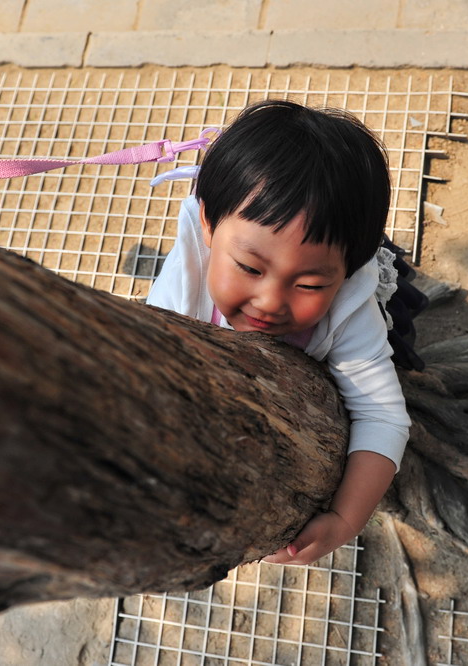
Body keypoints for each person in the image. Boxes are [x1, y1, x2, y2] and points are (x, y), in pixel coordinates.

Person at [146, 99, 422, 566]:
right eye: (249, 268)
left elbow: (384, 416)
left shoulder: (349, 309)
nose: (271, 302)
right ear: (208, 224)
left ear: (347, 273)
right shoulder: (182, 289)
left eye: (310, 284)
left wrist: (345, 518)